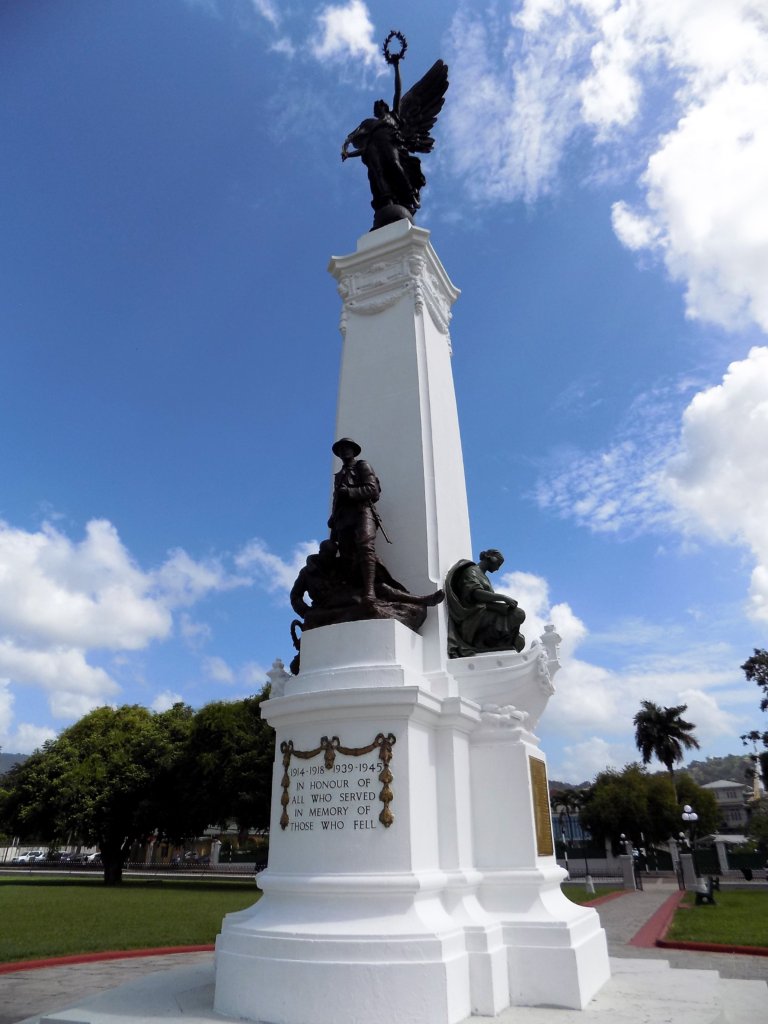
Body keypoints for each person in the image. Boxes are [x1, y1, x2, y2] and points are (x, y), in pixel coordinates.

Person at [327, 438, 381, 605]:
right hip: (343, 518)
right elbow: (337, 500)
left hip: (362, 511)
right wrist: (333, 518)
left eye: (347, 448)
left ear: (353, 450)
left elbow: (373, 490)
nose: (344, 451)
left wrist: (349, 492)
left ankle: (370, 591)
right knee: (346, 555)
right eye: (341, 449)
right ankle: (352, 590)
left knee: (365, 546)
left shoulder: (362, 466)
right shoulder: (339, 475)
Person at [445, 549, 526, 658]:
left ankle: (499, 639)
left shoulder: (484, 577)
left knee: (518, 615)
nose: (498, 568)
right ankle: (485, 640)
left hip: (486, 609)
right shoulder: (471, 571)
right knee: (517, 613)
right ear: (491, 558)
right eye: (498, 564)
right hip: (474, 613)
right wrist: (503, 598)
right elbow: (476, 594)